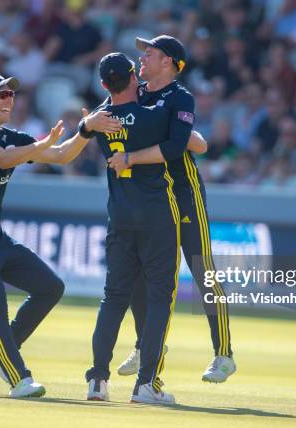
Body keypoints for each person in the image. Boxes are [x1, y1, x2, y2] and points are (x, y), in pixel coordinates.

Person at [0, 73, 119, 399]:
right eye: (1, 95)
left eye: (11, 95)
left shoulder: (11, 136)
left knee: (50, 287)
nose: (10, 100)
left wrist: (86, 130)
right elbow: (0, 158)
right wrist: (38, 146)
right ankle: (18, 378)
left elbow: (62, 154)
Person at [108, 35, 236, 383]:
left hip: (183, 192)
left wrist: (142, 150)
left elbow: (187, 145)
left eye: (149, 54)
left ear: (169, 62)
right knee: (141, 276)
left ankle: (223, 353)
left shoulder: (181, 96)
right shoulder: (140, 94)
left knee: (202, 270)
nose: (142, 60)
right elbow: (194, 140)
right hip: (152, 197)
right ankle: (146, 347)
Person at [83, 52, 206, 405]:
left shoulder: (100, 120)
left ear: (105, 85)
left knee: (113, 298)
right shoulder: (151, 116)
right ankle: (146, 385)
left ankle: (97, 380)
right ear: (133, 79)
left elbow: (94, 123)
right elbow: (182, 141)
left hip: (119, 216)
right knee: (158, 300)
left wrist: (88, 122)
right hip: (157, 215)